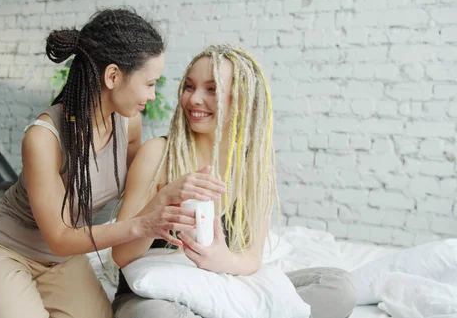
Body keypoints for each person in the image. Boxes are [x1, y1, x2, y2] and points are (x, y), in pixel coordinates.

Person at [0, 8, 225, 318]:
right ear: (112, 76)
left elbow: (145, 183)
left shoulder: (129, 125)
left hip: (62, 262)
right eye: (149, 83)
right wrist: (140, 224)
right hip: (3, 251)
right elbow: (58, 238)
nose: (153, 95)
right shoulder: (44, 138)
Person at [111, 44, 357, 318]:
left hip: (224, 286)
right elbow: (121, 256)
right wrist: (164, 199)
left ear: (242, 99)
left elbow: (251, 258)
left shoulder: (252, 167)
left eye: (212, 89)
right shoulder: (157, 154)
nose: (194, 99)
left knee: (339, 287)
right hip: (158, 297)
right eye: (189, 87)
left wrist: (222, 260)